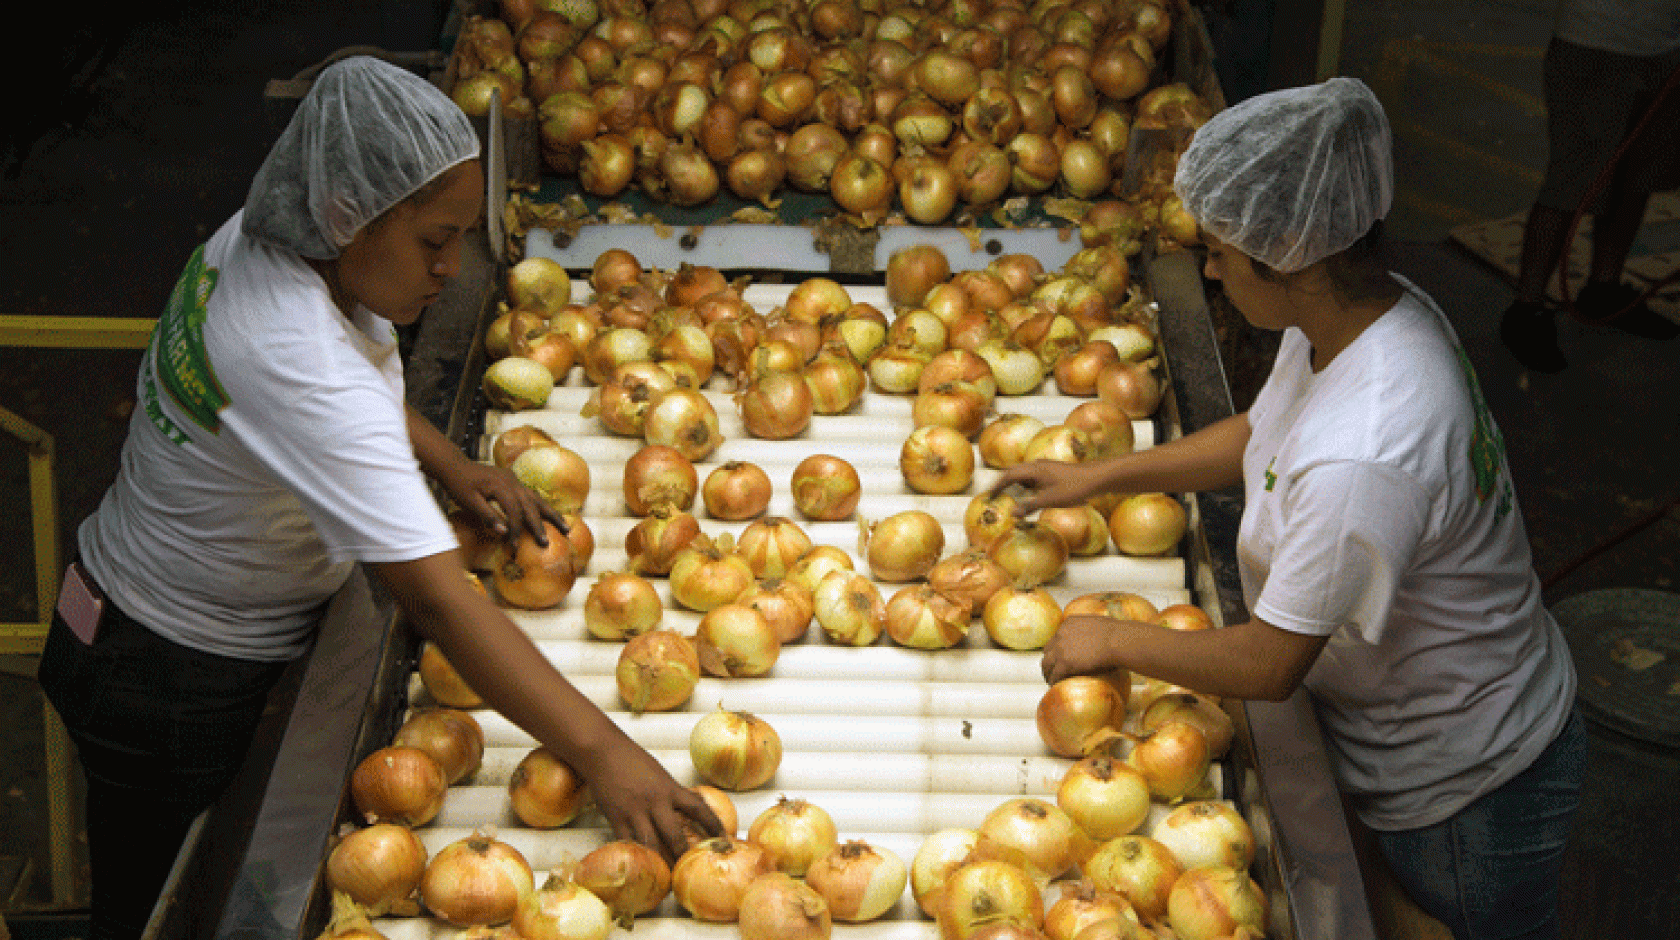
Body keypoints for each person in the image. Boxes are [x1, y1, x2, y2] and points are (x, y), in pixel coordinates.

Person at [34, 56, 719, 940]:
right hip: (164, 672)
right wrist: (610, 756)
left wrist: (449, 464)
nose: (451, 266)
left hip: (130, 608)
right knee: (156, 912)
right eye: (434, 241)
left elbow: (350, 386)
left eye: (460, 237)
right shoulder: (290, 346)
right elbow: (432, 592)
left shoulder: (279, 237)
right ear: (347, 217)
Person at [993, 78, 1585, 940]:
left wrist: (1113, 638)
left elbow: (1273, 663)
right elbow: (1265, 432)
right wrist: (1102, 476)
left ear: (1292, 261)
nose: (1210, 266)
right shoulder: (1363, 319)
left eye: (1223, 252)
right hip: (1430, 730)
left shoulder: (1370, 444)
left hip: (1469, 786)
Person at [1499, 0, 1680, 373]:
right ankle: (1526, 308)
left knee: (1635, 178)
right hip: (1596, 44)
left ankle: (1603, 288)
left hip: (1664, 46)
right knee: (1572, 183)